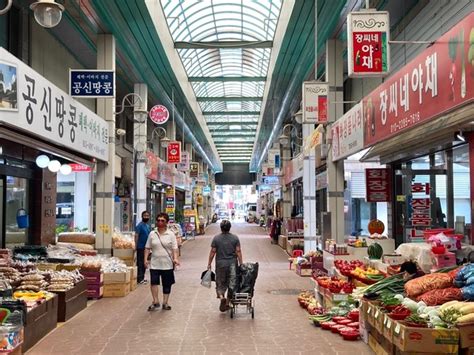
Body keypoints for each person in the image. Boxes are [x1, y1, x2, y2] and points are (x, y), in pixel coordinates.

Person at [144, 212, 180, 311]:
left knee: (167, 284)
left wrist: (175, 258)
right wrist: (145, 259)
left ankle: (165, 302)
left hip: (167, 264)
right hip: (155, 263)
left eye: (162, 220)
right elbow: (147, 248)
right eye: (158, 220)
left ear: (166, 222)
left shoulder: (171, 234)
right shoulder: (152, 234)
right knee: (154, 283)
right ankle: (155, 301)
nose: (160, 222)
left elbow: (174, 249)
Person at [207, 220, 243, 312]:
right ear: (229, 228)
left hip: (220, 264)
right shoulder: (235, 238)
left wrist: (209, 263)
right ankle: (227, 303)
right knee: (231, 283)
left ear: (221, 228)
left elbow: (213, 252)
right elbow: (238, 251)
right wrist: (241, 263)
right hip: (232, 264)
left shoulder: (216, 238)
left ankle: (222, 296)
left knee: (220, 282)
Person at [135, 211, 151, 285]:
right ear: (142, 216)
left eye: (147, 216)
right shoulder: (139, 226)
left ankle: (143, 277)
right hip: (140, 247)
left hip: (146, 248)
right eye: (145, 215)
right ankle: (139, 278)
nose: (146, 217)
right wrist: (136, 245)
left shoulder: (147, 226)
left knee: (145, 263)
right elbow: (137, 235)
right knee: (140, 263)